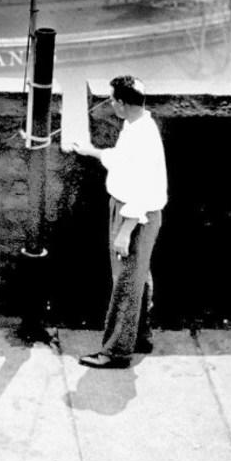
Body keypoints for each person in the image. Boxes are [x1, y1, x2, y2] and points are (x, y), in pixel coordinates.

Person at [69, 75, 168, 369]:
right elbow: (123, 161)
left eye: (113, 100)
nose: (111, 104)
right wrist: (92, 151)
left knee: (125, 283)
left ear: (123, 104)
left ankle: (116, 352)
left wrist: (125, 231)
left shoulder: (142, 136)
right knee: (138, 278)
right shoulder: (137, 126)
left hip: (134, 214)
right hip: (136, 212)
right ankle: (140, 336)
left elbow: (143, 189)